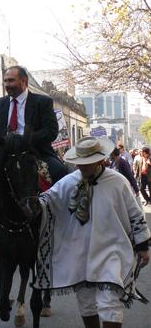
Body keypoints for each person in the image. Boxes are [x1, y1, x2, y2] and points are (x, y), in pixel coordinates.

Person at [34, 136, 150, 328]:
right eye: (80, 163)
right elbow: (48, 201)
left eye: (87, 163)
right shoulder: (69, 182)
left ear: (99, 160)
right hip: (81, 253)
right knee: (86, 304)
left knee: (110, 302)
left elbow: (135, 214)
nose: (82, 167)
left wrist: (143, 245)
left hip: (112, 251)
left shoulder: (117, 182)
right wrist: (30, 203)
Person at [0, 66, 68, 231]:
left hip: (35, 153)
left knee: (61, 173)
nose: (7, 84)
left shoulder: (42, 102)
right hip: (5, 155)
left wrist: (24, 140)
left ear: (23, 81)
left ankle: (64, 226)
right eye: (5, 81)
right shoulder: (0, 104)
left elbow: (51, 131)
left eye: (11, 80)